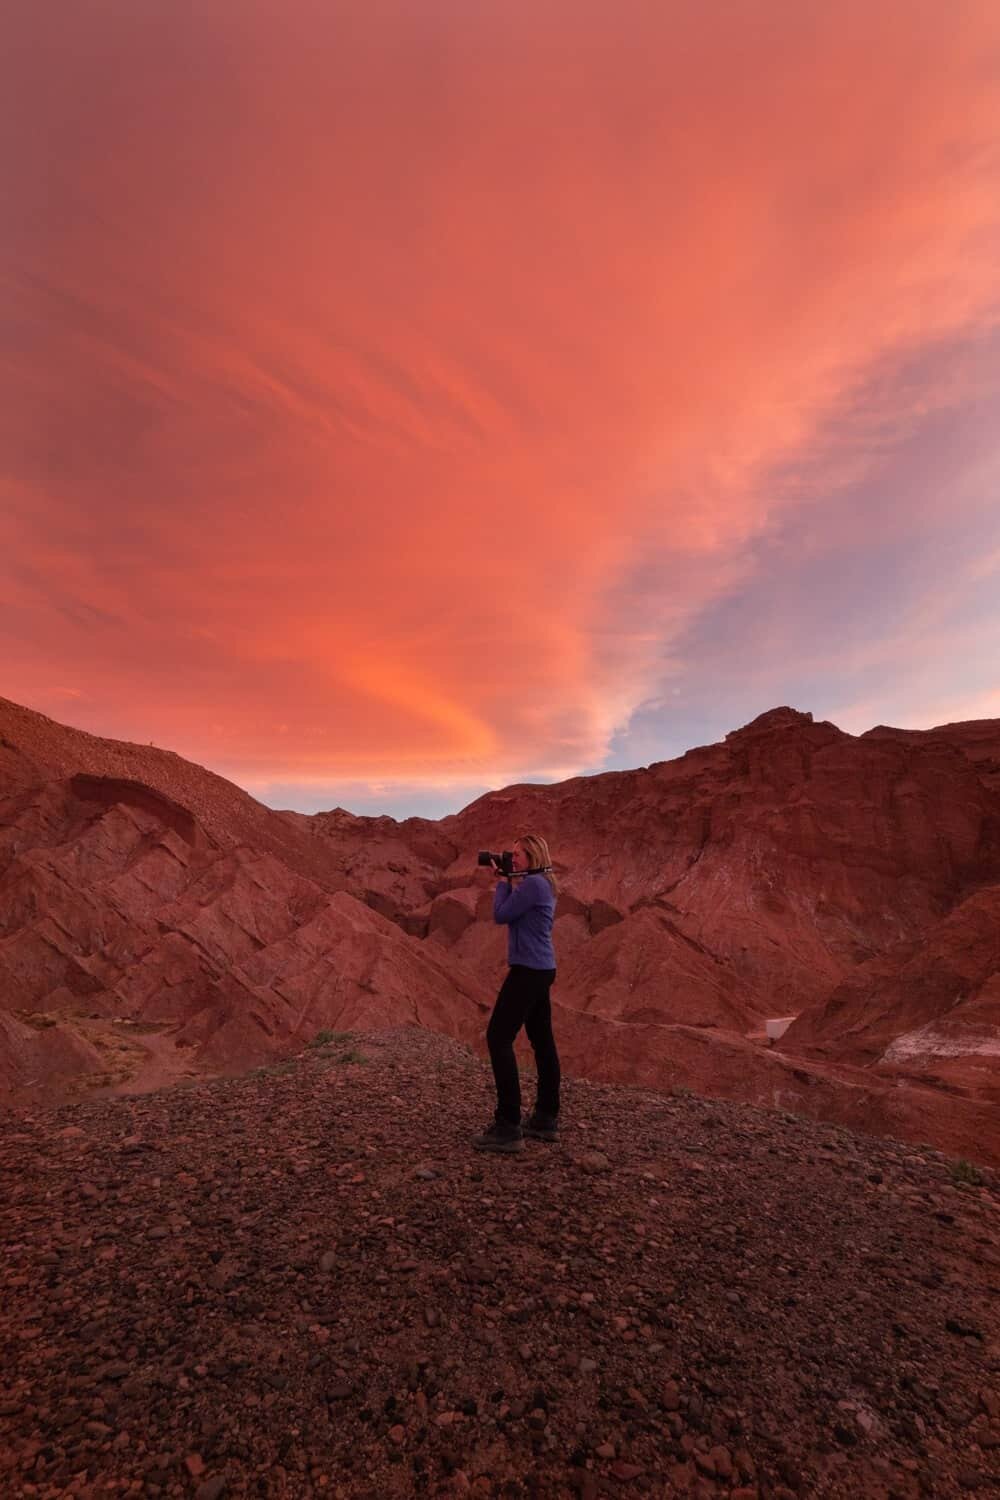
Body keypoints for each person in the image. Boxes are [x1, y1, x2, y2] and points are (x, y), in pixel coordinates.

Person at [472, 833, 560, 1153]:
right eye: (511, 854)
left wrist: (502, 883)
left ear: (534, 854)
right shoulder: (542, 882)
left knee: (498, 1037)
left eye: (519, 854)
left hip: (528, 970)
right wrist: (511, 879)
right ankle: (545, 1117)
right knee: (542, 1041)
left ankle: (508, 1125)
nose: (513, 858)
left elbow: (502, 914)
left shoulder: (534, 885)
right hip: (541, 968)